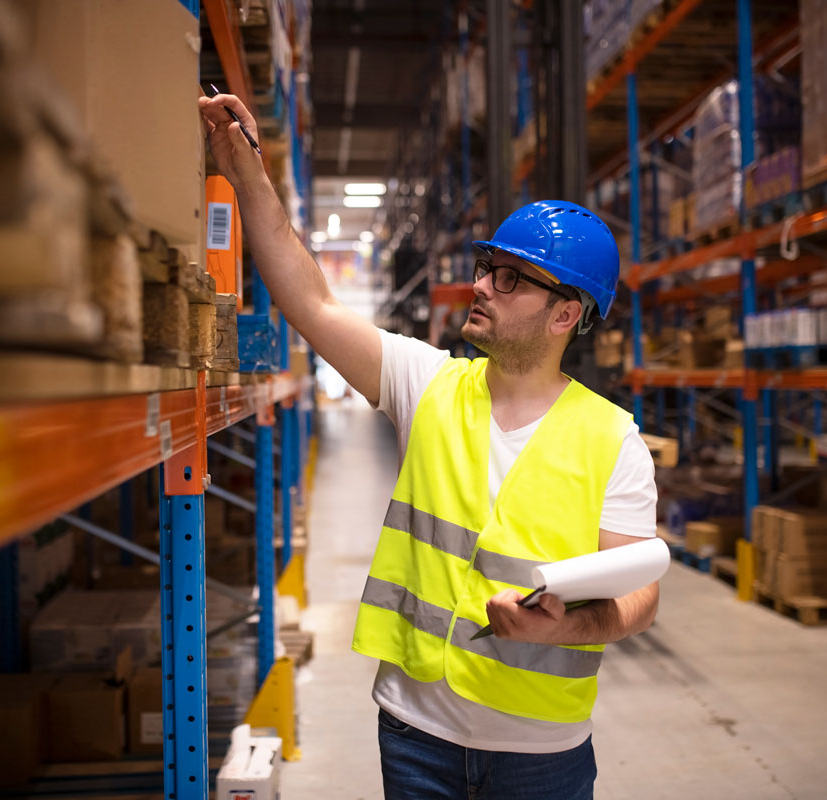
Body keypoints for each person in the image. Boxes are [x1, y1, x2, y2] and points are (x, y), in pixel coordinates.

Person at [200, 92, 659, 800]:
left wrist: (564, 631)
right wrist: (245, 170)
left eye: (509, 278)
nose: (481, 285)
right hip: (416, 734)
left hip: (540, 753)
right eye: (487, 266)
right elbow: (311, 302)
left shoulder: (614, 440)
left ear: (566, 312)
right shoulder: (429, 383)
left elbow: (641, 597)